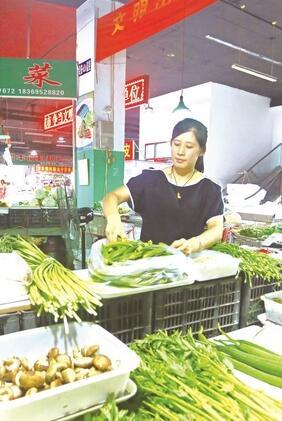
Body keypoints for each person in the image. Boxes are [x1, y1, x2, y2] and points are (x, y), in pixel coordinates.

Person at [103, 118, 224, 255]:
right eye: (176, 144)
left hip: (188, 266)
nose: (180, 152)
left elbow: (216, 229)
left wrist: (195, 243)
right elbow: (111, 197)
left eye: (189, 147)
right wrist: (113, 218)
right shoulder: (150, 179)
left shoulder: (210, 189)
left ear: (202, 150)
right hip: (149, 264)